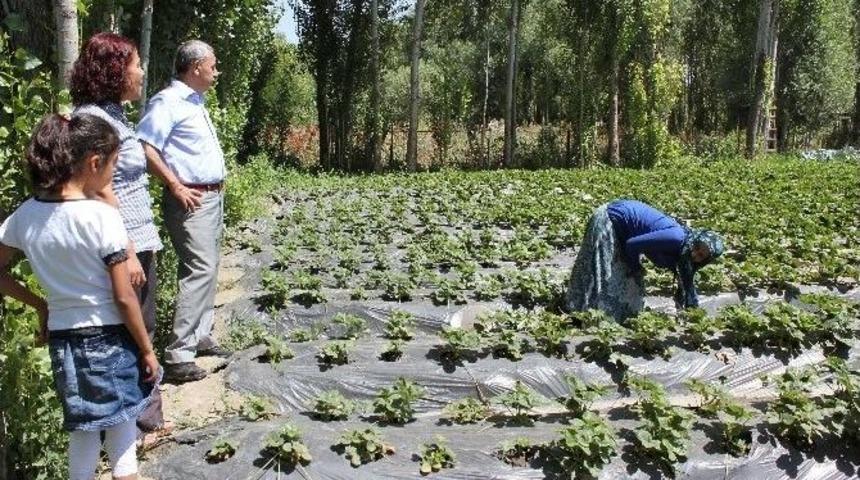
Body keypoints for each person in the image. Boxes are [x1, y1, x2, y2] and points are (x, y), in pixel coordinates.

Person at [0, 114, 160, 480]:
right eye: (114, 164)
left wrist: (40, 304)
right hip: (110, 338)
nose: (113, 174)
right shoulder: (102, 217)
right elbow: (123, 298)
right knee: (122, 435)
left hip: (63, 339)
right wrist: (146, 349)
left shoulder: (26, 215)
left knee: (83, 431)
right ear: (93, 163)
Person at [70, 32, 168, 437]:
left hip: (136, 239)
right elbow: (99, 188)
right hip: (121, 245)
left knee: (141, 323)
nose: (141, 71)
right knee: (133, 329)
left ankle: (142, 419)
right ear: (114, 71)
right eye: (135, 64)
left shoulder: (112, 114)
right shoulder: (93, 118)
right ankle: (138, 425)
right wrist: (125, 249)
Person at [138, 39, 229, 383]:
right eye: (212, 65)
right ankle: (179, 355)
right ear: (195, 68)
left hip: (209, 198)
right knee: (198, 269)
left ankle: (200, 335)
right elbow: (146, 148)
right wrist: (175, 186)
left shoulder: (194, 102)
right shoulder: (168, 102)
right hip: (190, 200)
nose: (215, 71)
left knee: (209, 267)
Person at [565, 199, 724, 322]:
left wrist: (692, 313)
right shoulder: (677, 239)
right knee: (602, 272)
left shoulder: (684, 254)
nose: (695, 255)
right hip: (610, 220)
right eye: (697, 248)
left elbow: (687, 282)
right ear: (695, 242)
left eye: (702, 256)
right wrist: (635, 268)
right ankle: (580, 313)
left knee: (622, 278)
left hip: (625, 231)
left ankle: (599, 312)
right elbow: (632, 245)